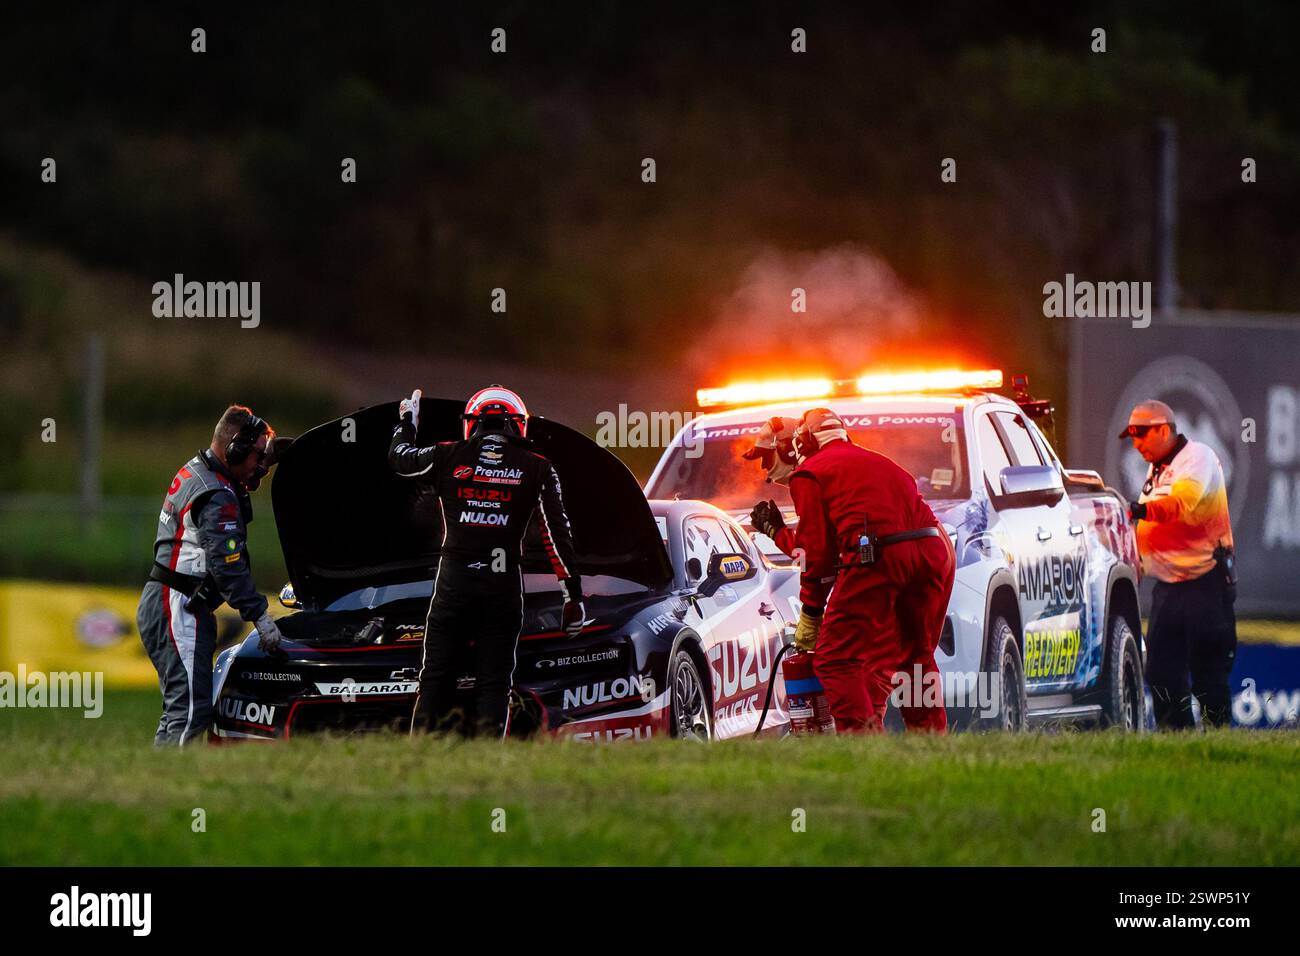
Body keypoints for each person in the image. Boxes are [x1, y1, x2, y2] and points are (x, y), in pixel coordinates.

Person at [388, 386, 585, 738]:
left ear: (472, 423)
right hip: (503, 584)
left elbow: (400, 458)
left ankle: (418, 759)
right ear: (518, 425)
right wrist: (572, 596)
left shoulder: (448, 454)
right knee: (494, 683)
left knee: (434, 678)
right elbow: (559, 534)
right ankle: (487, 761)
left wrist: (407, 421)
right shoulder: (538, 467)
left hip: (453, 583)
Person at [747, 408, 953, 733]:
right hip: (933, 551)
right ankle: (931, 742)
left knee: (835, 659)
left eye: (765, 457)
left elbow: (817, 558)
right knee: (916, 657)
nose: (763, 468)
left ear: (798, 445)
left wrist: (811, 616)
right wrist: (780, 534)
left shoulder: (810, 473)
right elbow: (827, 545)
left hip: (881, 554)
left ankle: (863, 748)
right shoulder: (882, 463)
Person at [137, 405, 285, 746]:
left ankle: (161, 780)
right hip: (179, 605)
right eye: (257, 456)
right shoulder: (218, 493)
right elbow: (228, 564)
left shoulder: (201, 472)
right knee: (188, 712)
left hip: (172, 601)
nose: (261, 466)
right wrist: (259, 616)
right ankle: (166, 791)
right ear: (234, 447)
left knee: (184, 707)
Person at [1121, 399, 1237, 729]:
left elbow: (1181, 504)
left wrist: (1139, 511)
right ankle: (1178, 740)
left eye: (1141, 434)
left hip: (1205, 582)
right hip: (1169, 587)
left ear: (1163, 429)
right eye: (1132, 436)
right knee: (1160, 670)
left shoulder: (1197, 457)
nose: (1136, 443)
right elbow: (1155, 527)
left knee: (1208, 672)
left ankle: (1219, 739)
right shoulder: (1157, 466)